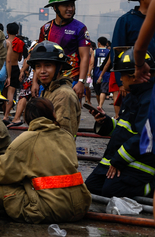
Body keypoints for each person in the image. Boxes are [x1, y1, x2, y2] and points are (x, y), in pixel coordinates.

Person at [0, 97, 91, 223]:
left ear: (27, 117)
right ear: (52, 114)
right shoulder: (67, 136)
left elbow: (2, 173)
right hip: (80, 206)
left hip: (49, 209)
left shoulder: (26, 140)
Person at [86, 48, 155, 198]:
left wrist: (118, 160)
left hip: (140, 163)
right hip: (121, 159)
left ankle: (152, 188)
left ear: (135, 75)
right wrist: (104, 122)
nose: (121, 79)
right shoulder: (133, 96)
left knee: (111, 191)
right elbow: (123, 129)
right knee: (91, 187)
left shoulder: (149, 100)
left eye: (122, 74)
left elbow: (145, 137)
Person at [33, 0, 92, 99]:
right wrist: (35, 82)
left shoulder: (80, 28)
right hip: (47, 83)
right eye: (66, 5)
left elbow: (85, 56)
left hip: (71, 82)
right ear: (55, 7)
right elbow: (38, 58)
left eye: (72, 5)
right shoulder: (46, 28)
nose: (70, 8)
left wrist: (81, 82)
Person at [27, 40, 81, 138]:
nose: (42, 71)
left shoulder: (63, 95)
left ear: (59, 67)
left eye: (48, 65)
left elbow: (62, 135)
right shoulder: (49, 89)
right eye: (38, 66)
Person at [4, 23, 25, 122]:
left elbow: (6, 59)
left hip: (4, 69)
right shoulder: (20, 43)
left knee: (2, 92)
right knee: (11, 94)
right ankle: (6, 115)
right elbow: (21, 57)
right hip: (15, 68)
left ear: (7, 31)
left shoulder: (5, 42)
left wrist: (8, 75)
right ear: (17, 32)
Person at [93, 37, 111, 108]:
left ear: (99, 43)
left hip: (96, 74)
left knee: (97, 91)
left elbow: (91, 63)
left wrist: (88, 73)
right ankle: (100, 105)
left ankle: (99, 104)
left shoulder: (95, 51)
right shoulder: (109, 52)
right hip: (106, 74)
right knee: (103, 91)